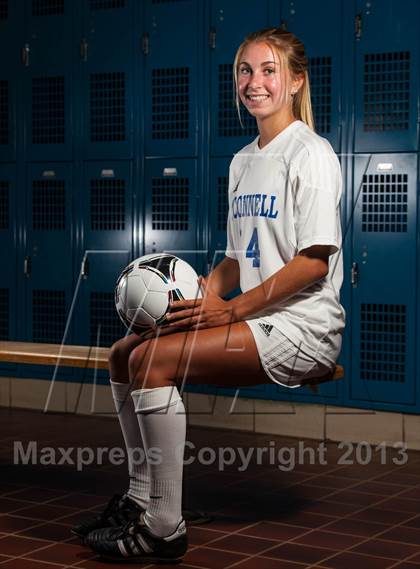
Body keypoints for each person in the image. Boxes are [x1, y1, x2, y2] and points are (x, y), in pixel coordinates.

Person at [75, 27, 345, 563]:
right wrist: (191, 299)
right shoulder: (242, 162)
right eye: (245, 70)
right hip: (256, 317)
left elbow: (314, 263)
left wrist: (230, 309)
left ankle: (163, 526)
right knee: (125, 352)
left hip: (304, 327)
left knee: (153, 362)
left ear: (295, 81)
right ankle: (139, 497)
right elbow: (233, 259)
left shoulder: (312, 154)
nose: (255, 82)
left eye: (269, 70)